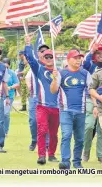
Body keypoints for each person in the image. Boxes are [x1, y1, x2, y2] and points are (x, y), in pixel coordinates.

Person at [50, 49, 91, 169]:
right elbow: (53, 90)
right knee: (66, 135)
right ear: (68, 60)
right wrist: (54, 78)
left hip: (81, 111)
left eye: (80, 58)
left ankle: (77, 162)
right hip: (65, 111)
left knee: (80, 139)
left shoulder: (85, 73)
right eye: (75, 58)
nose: (78, 60)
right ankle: (65, 162)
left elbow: (91, 89)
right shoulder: (61, 73)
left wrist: (96, 105)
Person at [25, 34, 59, 165]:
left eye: (51, 56)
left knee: (54, 133)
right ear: (42, 58)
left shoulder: (59, 71)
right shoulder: (39, 69)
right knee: (42, 130)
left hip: (56, 107)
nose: (49, 59)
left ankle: (51, 154)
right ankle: (41, 155)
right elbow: (30, 59)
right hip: (42, 106)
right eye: (46, 57)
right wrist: (28, 45)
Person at [82, 43, 102, 163]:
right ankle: (86, 152)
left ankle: (100, 154)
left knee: (101, 128)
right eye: (99, 53)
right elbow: (85, 64)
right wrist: (91, 51)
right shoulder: (91, 65)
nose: (101, 55)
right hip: (90, 99)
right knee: (89, 126)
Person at [3, 58, 20, 136]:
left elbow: (17, 84)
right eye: (4, 67)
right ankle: (0, 130)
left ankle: (5, 131)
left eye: (7, 67)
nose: (5, 69)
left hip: (9, 96)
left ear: (9, 66)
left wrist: (10, 87)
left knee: (6, 113)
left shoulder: (12, 73)